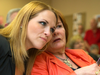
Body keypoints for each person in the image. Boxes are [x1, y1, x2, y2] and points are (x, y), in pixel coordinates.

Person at [31, 10, 100, 75]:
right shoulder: (38, 60)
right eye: (51, 29)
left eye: (59, 26)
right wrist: (78, 73)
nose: (55, 32)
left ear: (65, 30)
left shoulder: (81, 54)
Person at [0, 1, 57, 75]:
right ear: (23, 21)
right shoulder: (1, 44)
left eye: (52, 29)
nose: (48, 33)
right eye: (43, 23)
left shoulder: (29, 58)